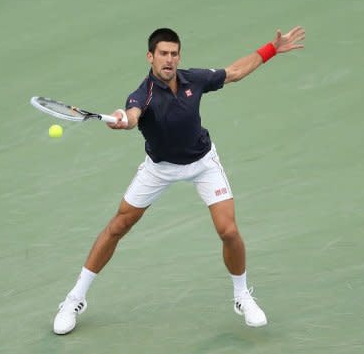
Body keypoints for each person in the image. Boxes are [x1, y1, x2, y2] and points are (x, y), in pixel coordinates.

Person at [53, 26, 305, 335]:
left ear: (179, 56)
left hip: (203, 163)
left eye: (174, 54)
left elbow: (235, 72)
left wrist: (271, 49)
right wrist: (122, 119)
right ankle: (74, 299)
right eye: (163, 54)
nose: (169, 60)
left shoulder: (193, 80)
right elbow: (132, 116)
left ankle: (242, 296)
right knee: (118, 225)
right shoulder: (142, 94)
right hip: (159, 169)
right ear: (150, 57)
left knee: (229, 231)